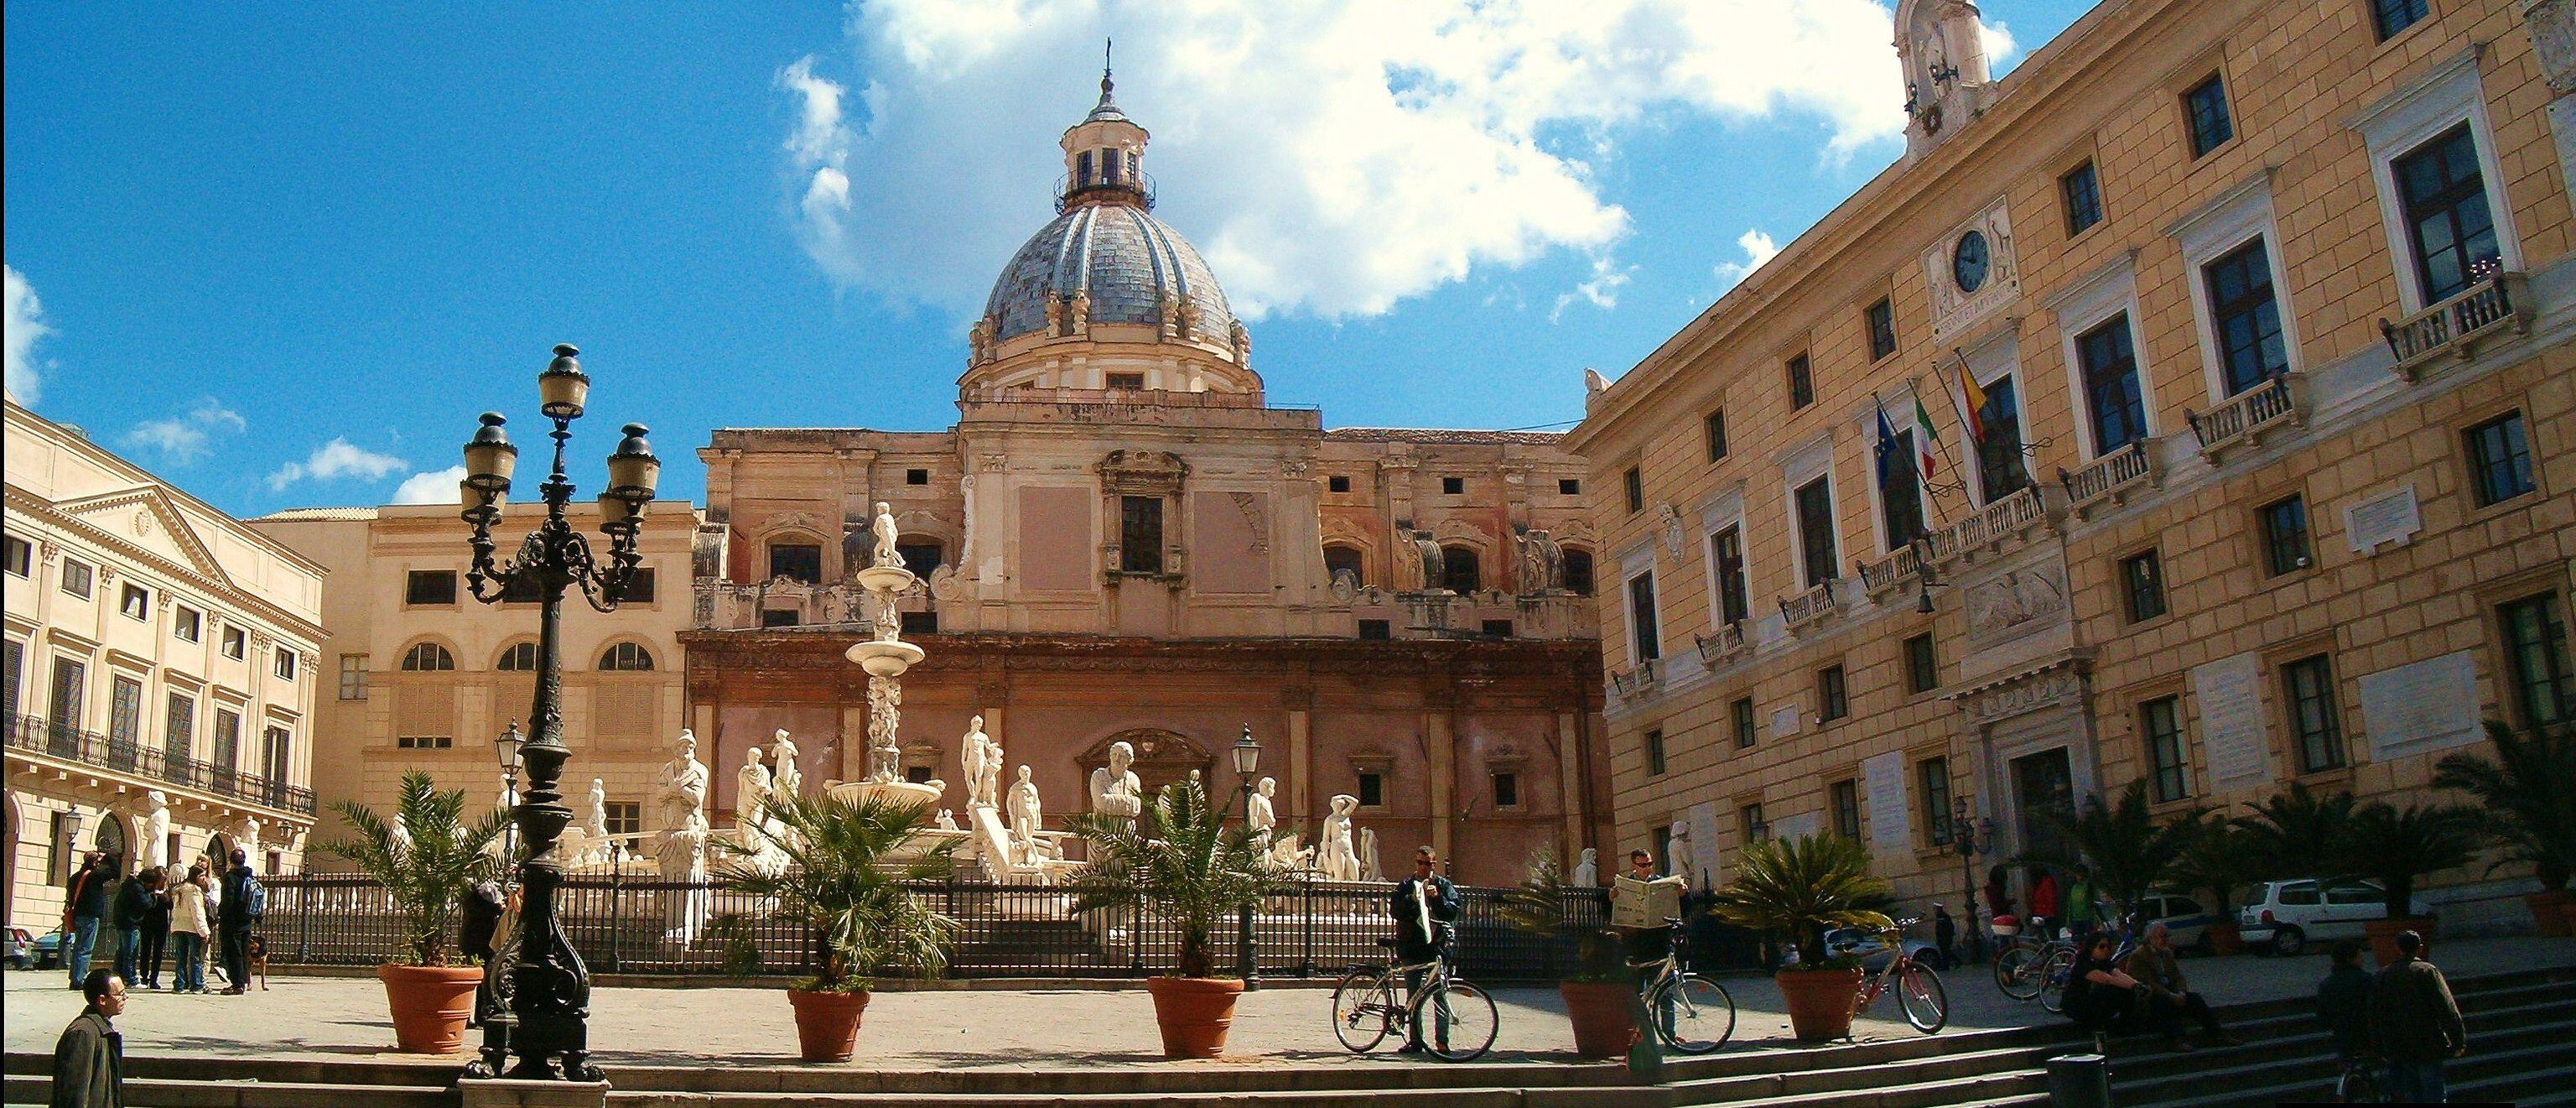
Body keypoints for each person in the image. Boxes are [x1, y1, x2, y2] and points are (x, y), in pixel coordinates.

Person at [2369, 929, 2465, 1103]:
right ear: (2420, 948)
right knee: (2433, 1094)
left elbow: (2375, 1014)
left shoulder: (2383, 975)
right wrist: (2457, 1040)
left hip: (2397, 1045)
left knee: (2411, 1094)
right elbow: (2447, 1009)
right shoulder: (2427, 971)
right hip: (2427, 1044)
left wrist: (2380, 1046)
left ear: (2398, 949)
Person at [1387, 845, 1459, 1054]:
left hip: (1436, 948)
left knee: (1440, 996)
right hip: (1411, 947)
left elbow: (1452, 912)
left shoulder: (1443, 885)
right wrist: (1412, 899)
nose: (1423, 867)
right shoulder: (1406, 885)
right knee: (1414, 996)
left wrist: (1437, 898)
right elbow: (1395, 910)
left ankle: (1442, 1041)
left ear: (1434, 864)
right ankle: (1415, 1041)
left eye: (1427, 863)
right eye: (1420, 863)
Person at [2121, 922, 2237, 1047]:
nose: (2166, 940)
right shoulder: (2138, 956)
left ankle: (2217, 1034)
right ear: (2151, 938)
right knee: (2162, 1004)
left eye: (2167, 936)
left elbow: (2178, 976)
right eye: (2163, 936)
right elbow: (2147, 982)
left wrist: (2181, 992)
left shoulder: (2167, 953)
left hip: (2171, 993)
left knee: (2195, 999)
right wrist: (2170, 995)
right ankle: (2177, 1040)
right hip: (2152, 996)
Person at [2061, 933, 2187, 1047]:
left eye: (2108, 947)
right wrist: (2134, 986)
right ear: (2092, 947)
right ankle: (2099, 1025)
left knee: (2127, 991)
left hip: (2095, 999)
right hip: (2079, 1004)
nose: (2106, 950)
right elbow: (2106, 979)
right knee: (2118, 989)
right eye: (2102, 946)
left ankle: (2125, 1025)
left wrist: (2137, 984)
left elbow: (2119, 974)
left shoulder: (2105, 962)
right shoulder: (2083, 963)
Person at [52, 969, 127, 1107]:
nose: (125, 997)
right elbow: (74, 1093)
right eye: (120, 994)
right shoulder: (83, 1033)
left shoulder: (101, 1029)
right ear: (102, 1000)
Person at [2315, 939, 2373, 1060]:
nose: (2363, 960)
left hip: (2342, 1038)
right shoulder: (2366, 980)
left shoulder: (2326, 985)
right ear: (2349, 959)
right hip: (2365, 1037)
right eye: (2360, 957)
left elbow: (2322, 1018)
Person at [62, 853, 110, 991]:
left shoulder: (74, 878)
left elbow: (71, 898)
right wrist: (106, 857)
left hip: (77, 916)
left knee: (78, 947)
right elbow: (116, 872)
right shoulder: (95, 876)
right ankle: (79, 979)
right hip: (90, 916)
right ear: (94, 862)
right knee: (86, 949)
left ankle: (74, 977)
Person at [167, 865, 211, 994]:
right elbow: (197, 912)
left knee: (180, 957)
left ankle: (179, 985)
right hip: (192, 928)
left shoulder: (178, 889)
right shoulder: (194, 891)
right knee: (196, 957)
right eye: (201, 876)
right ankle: (197, 985)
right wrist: (204, 931)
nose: (203, 878)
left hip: (178, 926)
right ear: (194, 877)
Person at [217, 850, 256, 996]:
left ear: (230, 860)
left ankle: (237, 985)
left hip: (233, 921)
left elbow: (228, 900)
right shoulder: (250, 876)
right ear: (244, 860)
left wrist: (221, 914)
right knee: (244, 951)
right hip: (247, 920)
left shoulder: (230, 877)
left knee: (234, 952)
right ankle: (244, 981)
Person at [109, 869, 157, 989]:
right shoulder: (138, 888)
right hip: (130, 923)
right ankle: (131, 979)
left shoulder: (129, 885)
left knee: (122, 951)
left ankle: (118, 975)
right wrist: (153, 896)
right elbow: (146, 904)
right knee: (130, 952)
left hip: (122, 922)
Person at [136, 869, 174, 991]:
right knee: (145, 950)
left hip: (161, 924)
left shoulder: (166, 891)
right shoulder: (147, 889)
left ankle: (154, 979)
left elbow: (170, 906)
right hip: (147, 922)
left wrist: (165, 897)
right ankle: (144, 977)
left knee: (158, 952)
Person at [2064, 871, 2098, 944]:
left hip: (2087, 919)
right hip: (2076, 919)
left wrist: (2094, 920)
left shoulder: (2087, 886)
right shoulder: (2074, 888)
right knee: (2077, 942)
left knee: (2087, 941)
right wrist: (2068, 922)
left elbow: (2092, 904)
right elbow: (2070, 905)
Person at [2028, 867, 2062, 933]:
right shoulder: (2038, 884)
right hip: (2038, 914)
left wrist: (2050, 915)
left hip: (2046, 915)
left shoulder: (2047, 882)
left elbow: (2052, 899)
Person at [1933, 904, 1958, 969]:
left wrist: (1948, 935)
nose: (1934, 911)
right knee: (1945, 951)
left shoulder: (1945, 916)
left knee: (1946, 952)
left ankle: (1948, 965)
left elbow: (1949, 927)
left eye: (1935, 909)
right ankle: (1950, 963)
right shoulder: (1939, 916)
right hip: (1941, 938)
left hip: (1946, 937)